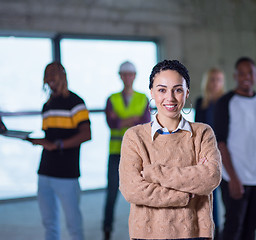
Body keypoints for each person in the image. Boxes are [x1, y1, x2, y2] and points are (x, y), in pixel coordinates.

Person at [119, 59, 222, 240]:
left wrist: (153, 172)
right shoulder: (134, 137)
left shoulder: (203, 133)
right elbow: (132, 189)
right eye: (162, 90)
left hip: (195, 233)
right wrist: (186, 193)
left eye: (178, 89)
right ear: (151, 92)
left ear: (187, 92)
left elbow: (211, 177)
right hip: (146, 234)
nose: (170, 97)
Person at [214, 57, 256, 240]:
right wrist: (233, 178)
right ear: (235, 76)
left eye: (250, 72)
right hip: (234, 177)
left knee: (252, 228)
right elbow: (221, 143)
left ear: (255, 75)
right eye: (241, 73)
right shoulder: (226, 102)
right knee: (233, 227)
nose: (246, 77)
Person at [28, 62, 92, 240]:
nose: (50, 79)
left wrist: (58, 145)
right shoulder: (46, 106)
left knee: (73, 226)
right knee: (49, 224)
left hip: (67, 174)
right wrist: (39, 141)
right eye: (47, 76)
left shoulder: (76, 102)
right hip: (44, 172)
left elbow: (86, 134)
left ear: (63, 76)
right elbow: (51, 136)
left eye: (53, 75)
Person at [103, 61, 150, 240]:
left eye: (131, 74)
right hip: (116, 152)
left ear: (135, 76)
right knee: (112, 193)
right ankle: (107, 229)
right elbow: (112, 123)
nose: (128, 77)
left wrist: (122, 120)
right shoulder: (112, 98)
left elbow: (145, 124)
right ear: (120, 76)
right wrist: (132, 119)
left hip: (137, 153)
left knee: (142, 192)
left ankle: (144, 228)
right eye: (125, 74)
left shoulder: (143, 98)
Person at [195, 67, 226, 239]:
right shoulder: (201, 102)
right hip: (208, 155)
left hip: (226, 153)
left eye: (219, 79)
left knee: (228, 193)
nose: (215, 83)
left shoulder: (227, 102)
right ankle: (214, 229)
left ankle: (225, 230)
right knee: (210, 195)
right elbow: (198, 131)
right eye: (212, 79)